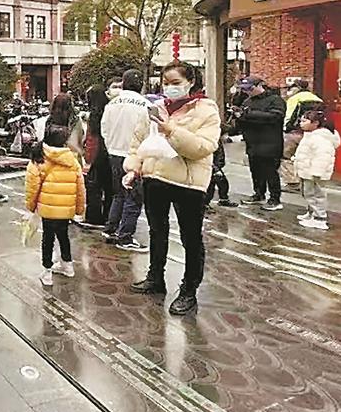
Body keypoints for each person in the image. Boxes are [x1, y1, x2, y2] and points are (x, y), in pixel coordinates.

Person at [127, 61, 220, 316]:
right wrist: (134, 168)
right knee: (157, 231)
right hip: (155, 178)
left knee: (191, 238)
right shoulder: (156, 107)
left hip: (188, 183)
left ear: (191, 82)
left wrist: (171, 130)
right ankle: (155, 277)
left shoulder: (206, 110)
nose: (170, 88)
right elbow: (138, 141)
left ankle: (189, 290)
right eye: (166, 83)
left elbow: (203, 147)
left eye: (176, 83)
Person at [26, 124, 86, 281]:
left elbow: (32, 188)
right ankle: (68, 266)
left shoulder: (39, 159)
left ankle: (47, 272)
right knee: (63, 236)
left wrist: (31, 207)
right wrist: (79, 209)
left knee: (48, 239)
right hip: (66, 210)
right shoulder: (72, 161)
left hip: (47, 209)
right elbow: (81, 188)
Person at [101, 70, 150, 252]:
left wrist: (111, 146)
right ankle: (126, 236)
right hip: (134, 156)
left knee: (118, 194)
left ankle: (111, 228)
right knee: (134, 197)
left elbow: (104, 129)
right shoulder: (145, 105)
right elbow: (149, 133)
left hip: (114, 153)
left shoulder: (112, 104)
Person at [235, 76, 286, 211]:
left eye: (250, 89)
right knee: (255, 171)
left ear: (259, 85)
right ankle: (258, 194)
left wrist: (250, 114)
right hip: (252, 142)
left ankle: (275, 198)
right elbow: (242, 120)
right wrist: (239, 117)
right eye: (244, 90)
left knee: (270, 172)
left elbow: (276, 117)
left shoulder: (275, 100)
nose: (247, 92)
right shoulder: (247, 101)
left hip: (270, 142)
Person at [293, 109, 341, 231]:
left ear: (315, 123)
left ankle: (320, 218)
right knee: (308, 194)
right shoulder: (310, 136)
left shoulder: (321, 138)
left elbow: (323, 157)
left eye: (305, 121)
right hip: (306, 171)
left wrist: (317, 172)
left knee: (316, 195)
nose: (301, 123)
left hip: (313, 173)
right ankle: (311, 213)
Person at [81, 83, 114, 226]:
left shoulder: (94, 115)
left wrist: (88, 159)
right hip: (111, 152)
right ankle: (109, 216)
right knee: (110, 188)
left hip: (98, 155)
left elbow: (92, 139)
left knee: (94, 188)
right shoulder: (111, 110)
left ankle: (94, 217)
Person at [45, 93, 85, 163]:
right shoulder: (75, 121)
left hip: (52, 158)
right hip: (71, 159)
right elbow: (76, 143)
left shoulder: (49, 120)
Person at [204, 138, 238, 211]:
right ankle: (205, 203)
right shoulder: (209, 137)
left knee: (222, 182)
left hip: (214, 164)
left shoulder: (216, 138)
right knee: (211, 184)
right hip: (209, 164)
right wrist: (215, 168)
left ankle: (223, 199)